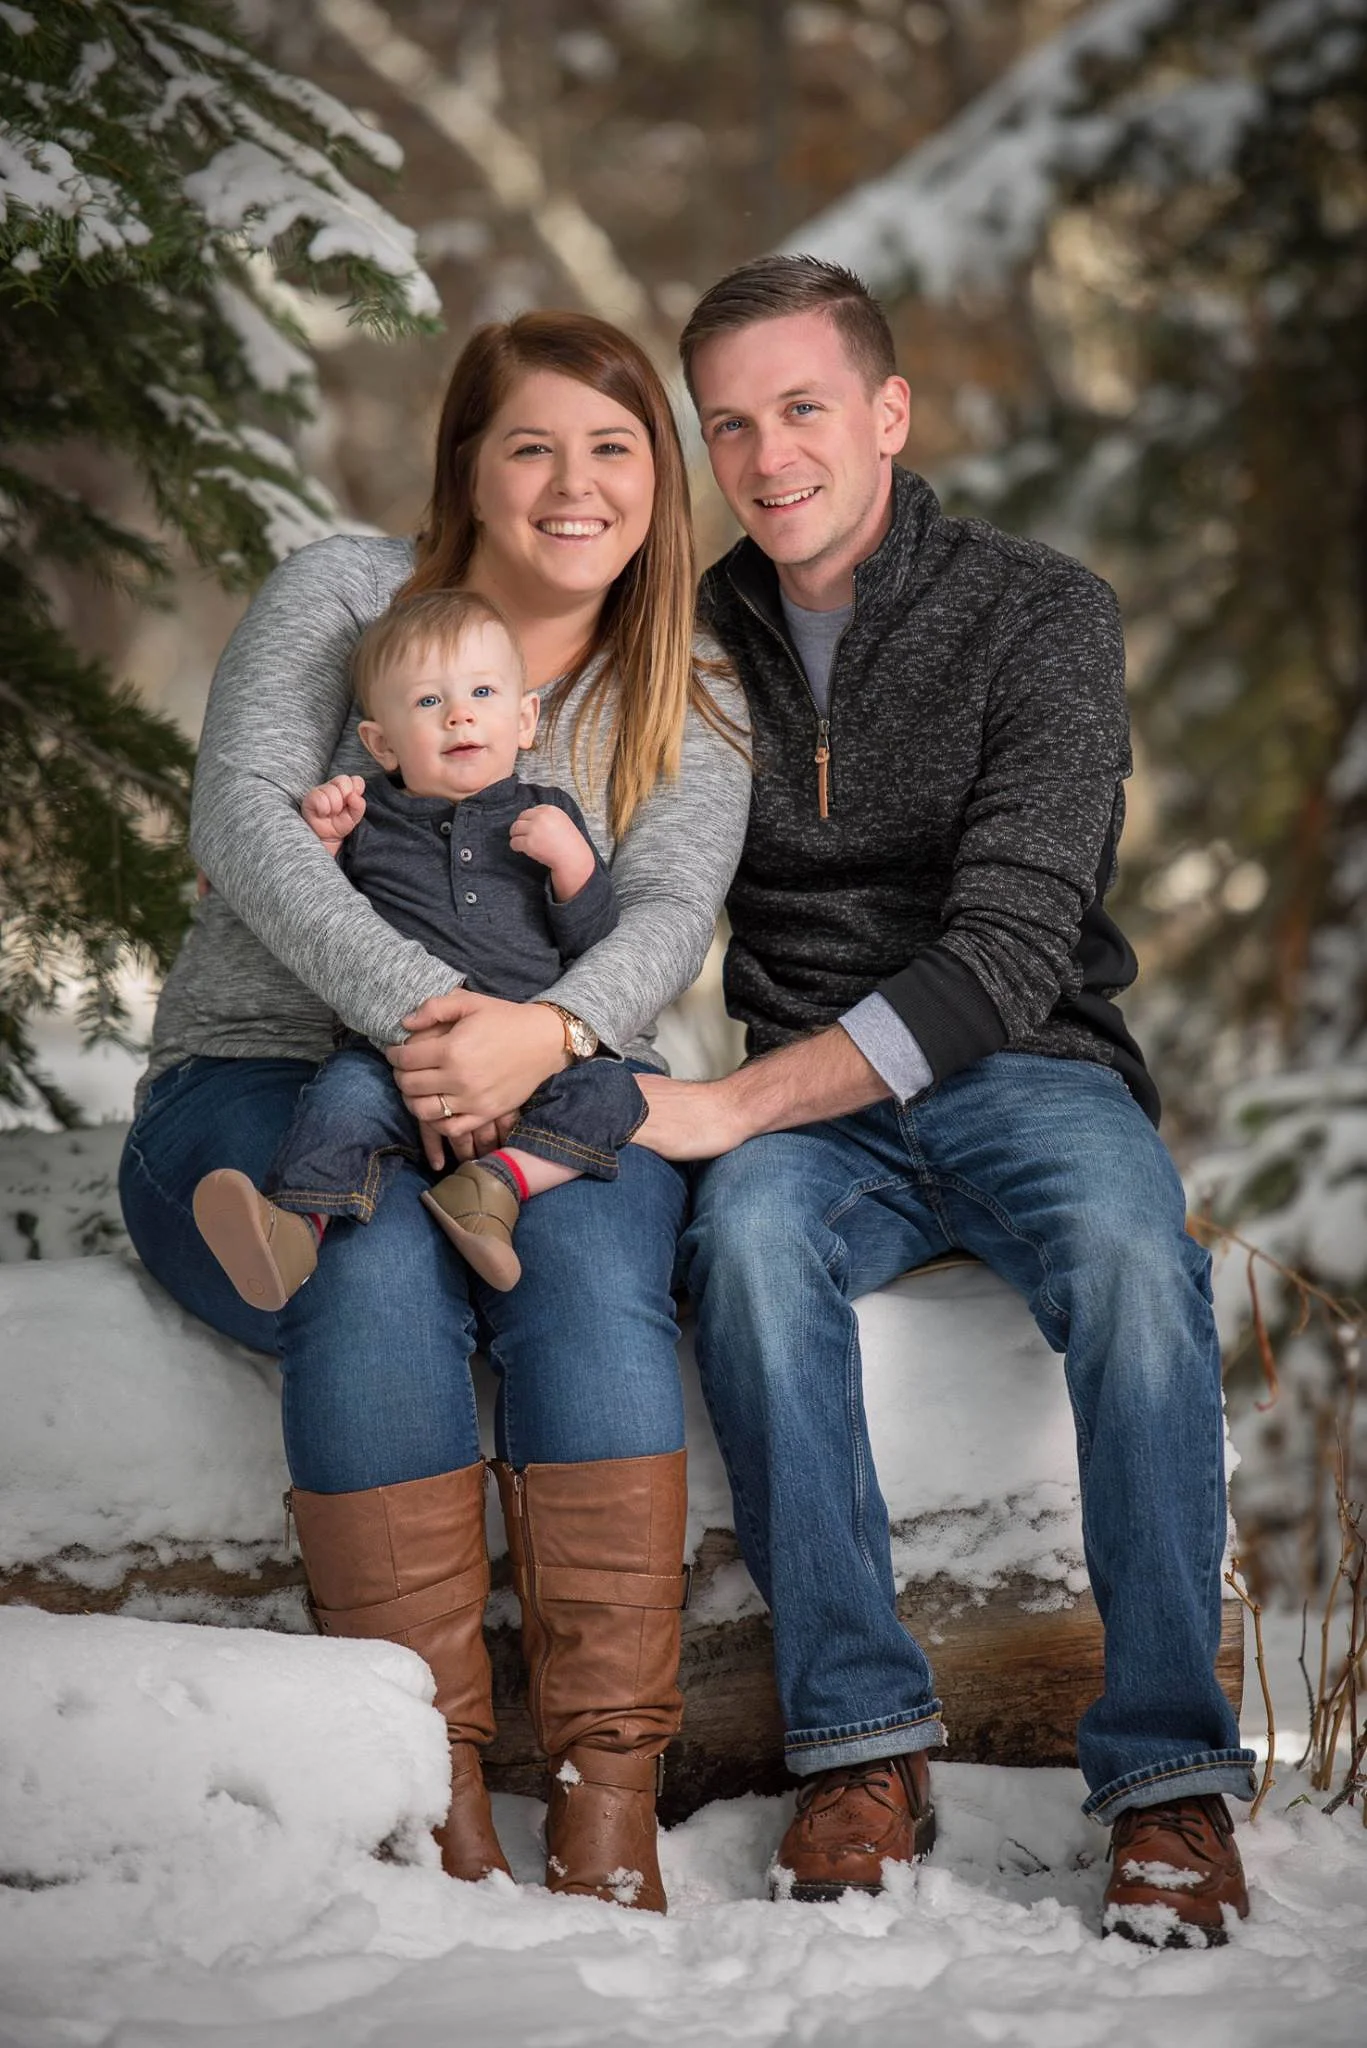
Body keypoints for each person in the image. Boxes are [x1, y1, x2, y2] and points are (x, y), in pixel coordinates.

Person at [634, 255, 1257, 1947]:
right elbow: (616, 873)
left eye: (804, 409)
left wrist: (727, 1101)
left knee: (1137, 1259)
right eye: (730, 427)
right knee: (748, 1256)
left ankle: (1167, 1778)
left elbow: (1007, 949)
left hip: (1025, 1063)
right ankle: (860, 1744)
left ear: (890, 412)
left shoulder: (1040, 610)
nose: (767, 459)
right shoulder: (685, 636)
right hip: (814, 1111)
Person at [119, 312, 750, 1914]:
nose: (572, 483)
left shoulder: (690, 680)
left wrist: (532, 1035)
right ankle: (432, 1792)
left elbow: (664, 917)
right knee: (376, 1264)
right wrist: (427, 1017)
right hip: (264, 1078)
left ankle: (608, 1785)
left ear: (659, 481)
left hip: (553, 1080)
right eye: (530, 443)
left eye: (614, 448)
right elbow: (245, 820)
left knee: (592, 1280)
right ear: (465, 459)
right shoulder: (341, 596)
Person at [192, 587, 646, 1303]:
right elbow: (310, 918)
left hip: (529, 1061)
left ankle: (495, 1185)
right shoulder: (371, 818)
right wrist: (324, 843)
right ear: (382, 742)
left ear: (524, 719)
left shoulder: (548, 813)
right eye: (428, 703)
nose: (460, 714)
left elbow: (594, 943)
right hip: (392, 1059)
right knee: (338, 1101)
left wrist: (574, 869)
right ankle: (293, 1231)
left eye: (483, 692)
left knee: (616, 1091)